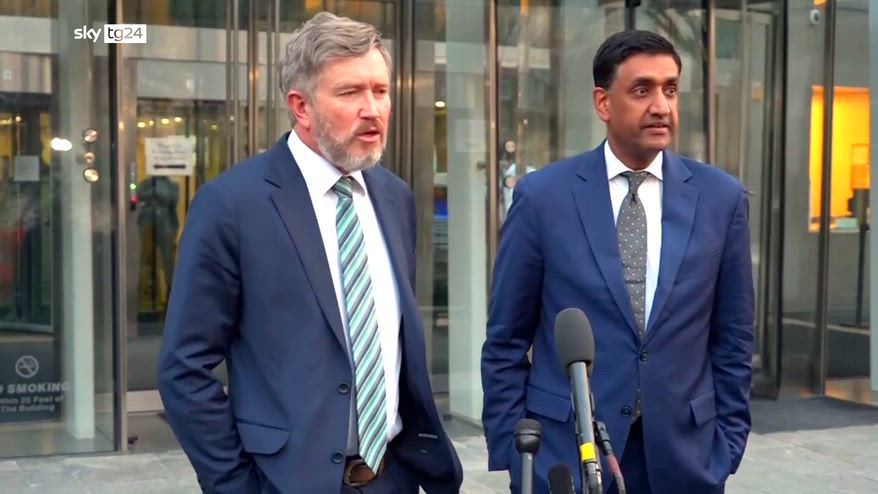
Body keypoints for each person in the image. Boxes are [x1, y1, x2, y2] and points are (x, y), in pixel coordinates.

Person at [157, 12, 462, 494]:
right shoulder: (233, 204)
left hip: (394, 477)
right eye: (350, 92)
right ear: (301, 106)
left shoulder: (394, 196)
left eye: (380, 91)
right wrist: (236, 486)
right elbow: (184, 369)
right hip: (287, 481)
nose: (372, 109)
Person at [481, 30, 754, 494]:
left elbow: (733, 340)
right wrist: (517, 454)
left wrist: (726, 447)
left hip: (685, 458)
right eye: (642, 90)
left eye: (670, 89)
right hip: (566, 456)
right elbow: (505, 340)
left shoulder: (721, 199)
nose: (662, 106)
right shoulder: (543, 197)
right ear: (603, 103)